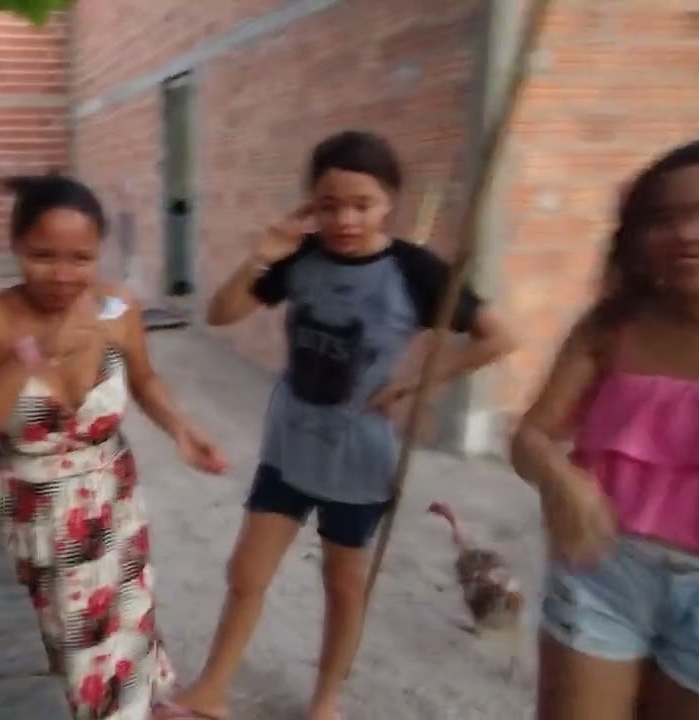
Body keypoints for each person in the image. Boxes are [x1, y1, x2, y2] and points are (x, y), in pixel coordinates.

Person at [163, 131, 517, 720]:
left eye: (362, 204)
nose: (344, 219)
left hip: (360, 457)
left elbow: (501, 337)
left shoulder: (416, 270)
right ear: (310, 204)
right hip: (288, 445)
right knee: (246, 572)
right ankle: (212, 690)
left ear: (389, 204)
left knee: (343, 584)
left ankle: (326, 702)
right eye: (328, 205)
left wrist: (413, 384)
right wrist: (264, 252)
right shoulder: (299, 258)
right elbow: (221, 313)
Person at [0, 173, 229, 719]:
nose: (61, 275)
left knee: (125, 634)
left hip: (112, 504)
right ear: (16, 247)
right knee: (52, 652)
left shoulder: (117, 309)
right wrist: (25, 360)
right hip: (34, 519)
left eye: (80, 258)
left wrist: (180, 428)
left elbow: (145, 381)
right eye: (42, 255)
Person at [511, 139, 699, 720]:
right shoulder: (612, 326)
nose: (688, 235)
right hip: (604, 568)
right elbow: (531, 436)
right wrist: (560, 479)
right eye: (663, 220)